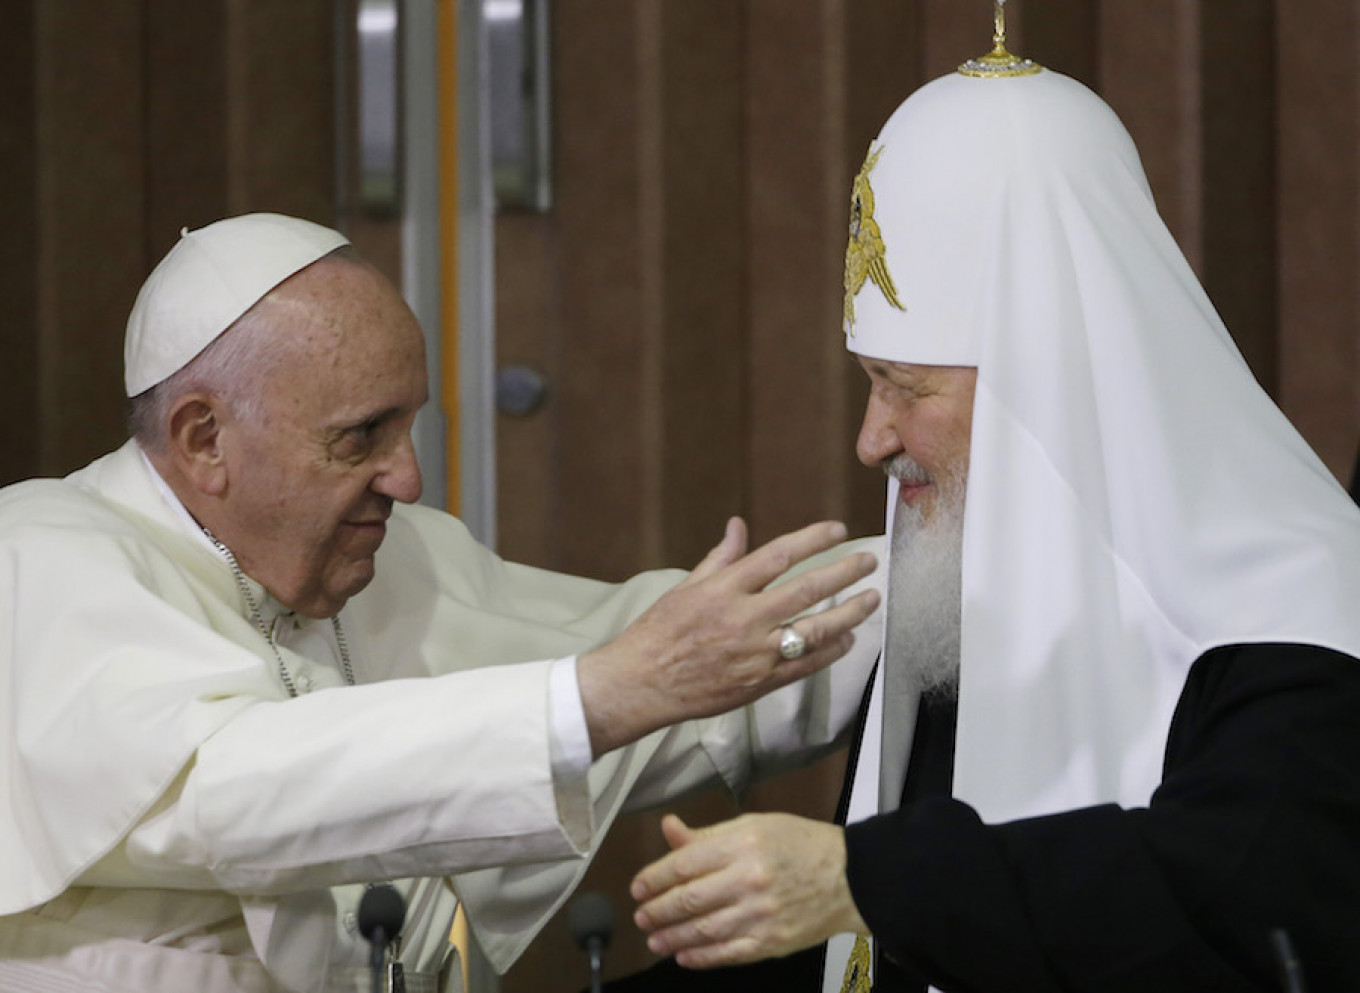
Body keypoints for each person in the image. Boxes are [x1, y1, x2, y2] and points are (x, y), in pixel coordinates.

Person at [624, 28, 1360, 993]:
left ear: (1041, 385)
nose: (871, 440)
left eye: (904, 387)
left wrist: (869, 878)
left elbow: (1239, 906)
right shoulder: (964, 594)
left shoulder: (1301, 619)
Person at [0, 212, 884, 993]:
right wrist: (610, 691)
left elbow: (648, 665)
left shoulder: (392, 555)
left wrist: (936, 581)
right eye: (362, 436)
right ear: (204, 438)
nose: (410, 478)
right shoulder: (43, 552)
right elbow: (231, 789)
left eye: (411, 423)